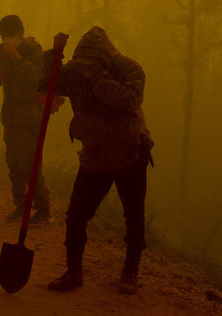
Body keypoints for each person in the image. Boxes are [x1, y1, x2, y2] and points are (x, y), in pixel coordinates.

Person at [44, 27, 153, 295]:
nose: (85, 68)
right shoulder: (74, 70)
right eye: (83, 64)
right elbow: (47, 85)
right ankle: (73, 271)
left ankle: (130, 272)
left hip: (131, 152)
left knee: (134, 215)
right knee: (77, 214)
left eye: (90, 64)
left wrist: (97, 77)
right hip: (94, 153)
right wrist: (54, 57)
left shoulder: (129, 69)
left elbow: (129, 100)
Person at [0, 15, 52, 223]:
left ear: (20, 32)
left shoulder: (34, 52)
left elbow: (38, 79)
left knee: (30, 165)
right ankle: (21, 205)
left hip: (29, 118)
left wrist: (17, 59)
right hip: (10, 118)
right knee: (14, 166)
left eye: (9, 35)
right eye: (3, 36)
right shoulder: (3, 57)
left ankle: (43, 210)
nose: (6, 39)